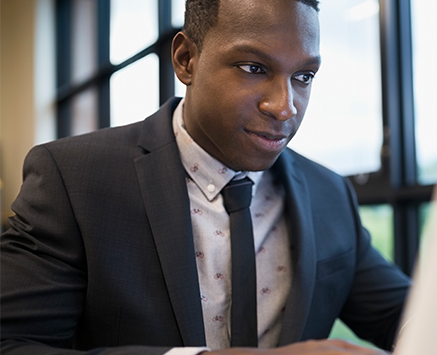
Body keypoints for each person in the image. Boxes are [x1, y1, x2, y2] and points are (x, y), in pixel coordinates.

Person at [0, 0, 410, 354]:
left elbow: (406, 313)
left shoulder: (329, 193)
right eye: (253, 67)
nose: (285, 107)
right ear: (185, 60)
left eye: (303, 77)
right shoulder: (74, 180)